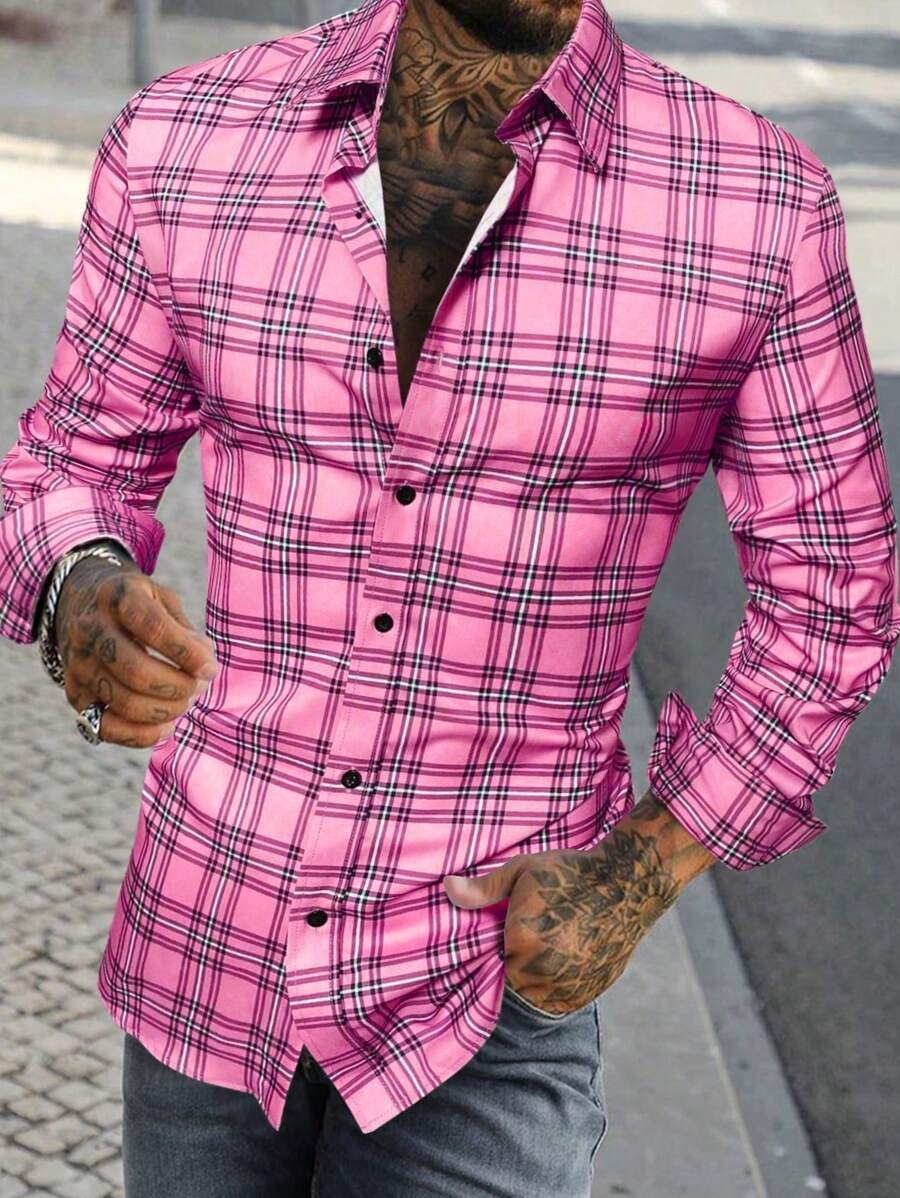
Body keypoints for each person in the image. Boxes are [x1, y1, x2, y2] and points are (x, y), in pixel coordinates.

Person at [1, 0, 897, 1193]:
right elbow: (74, 460)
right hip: (206, 942)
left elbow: (835, 588)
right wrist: (77, 581)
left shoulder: (754, 204)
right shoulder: (187, 137)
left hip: (479, 991)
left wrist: (646, 867)